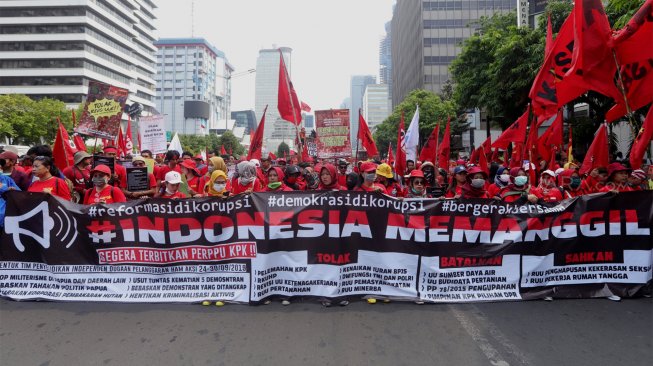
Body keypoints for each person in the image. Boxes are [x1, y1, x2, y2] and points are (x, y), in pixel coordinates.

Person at [0, 159, 21, 228]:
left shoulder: (7, 179)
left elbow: (19, 194)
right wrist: (5, 189)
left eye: (0, 166)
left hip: (5, 219)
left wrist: (12, 190)